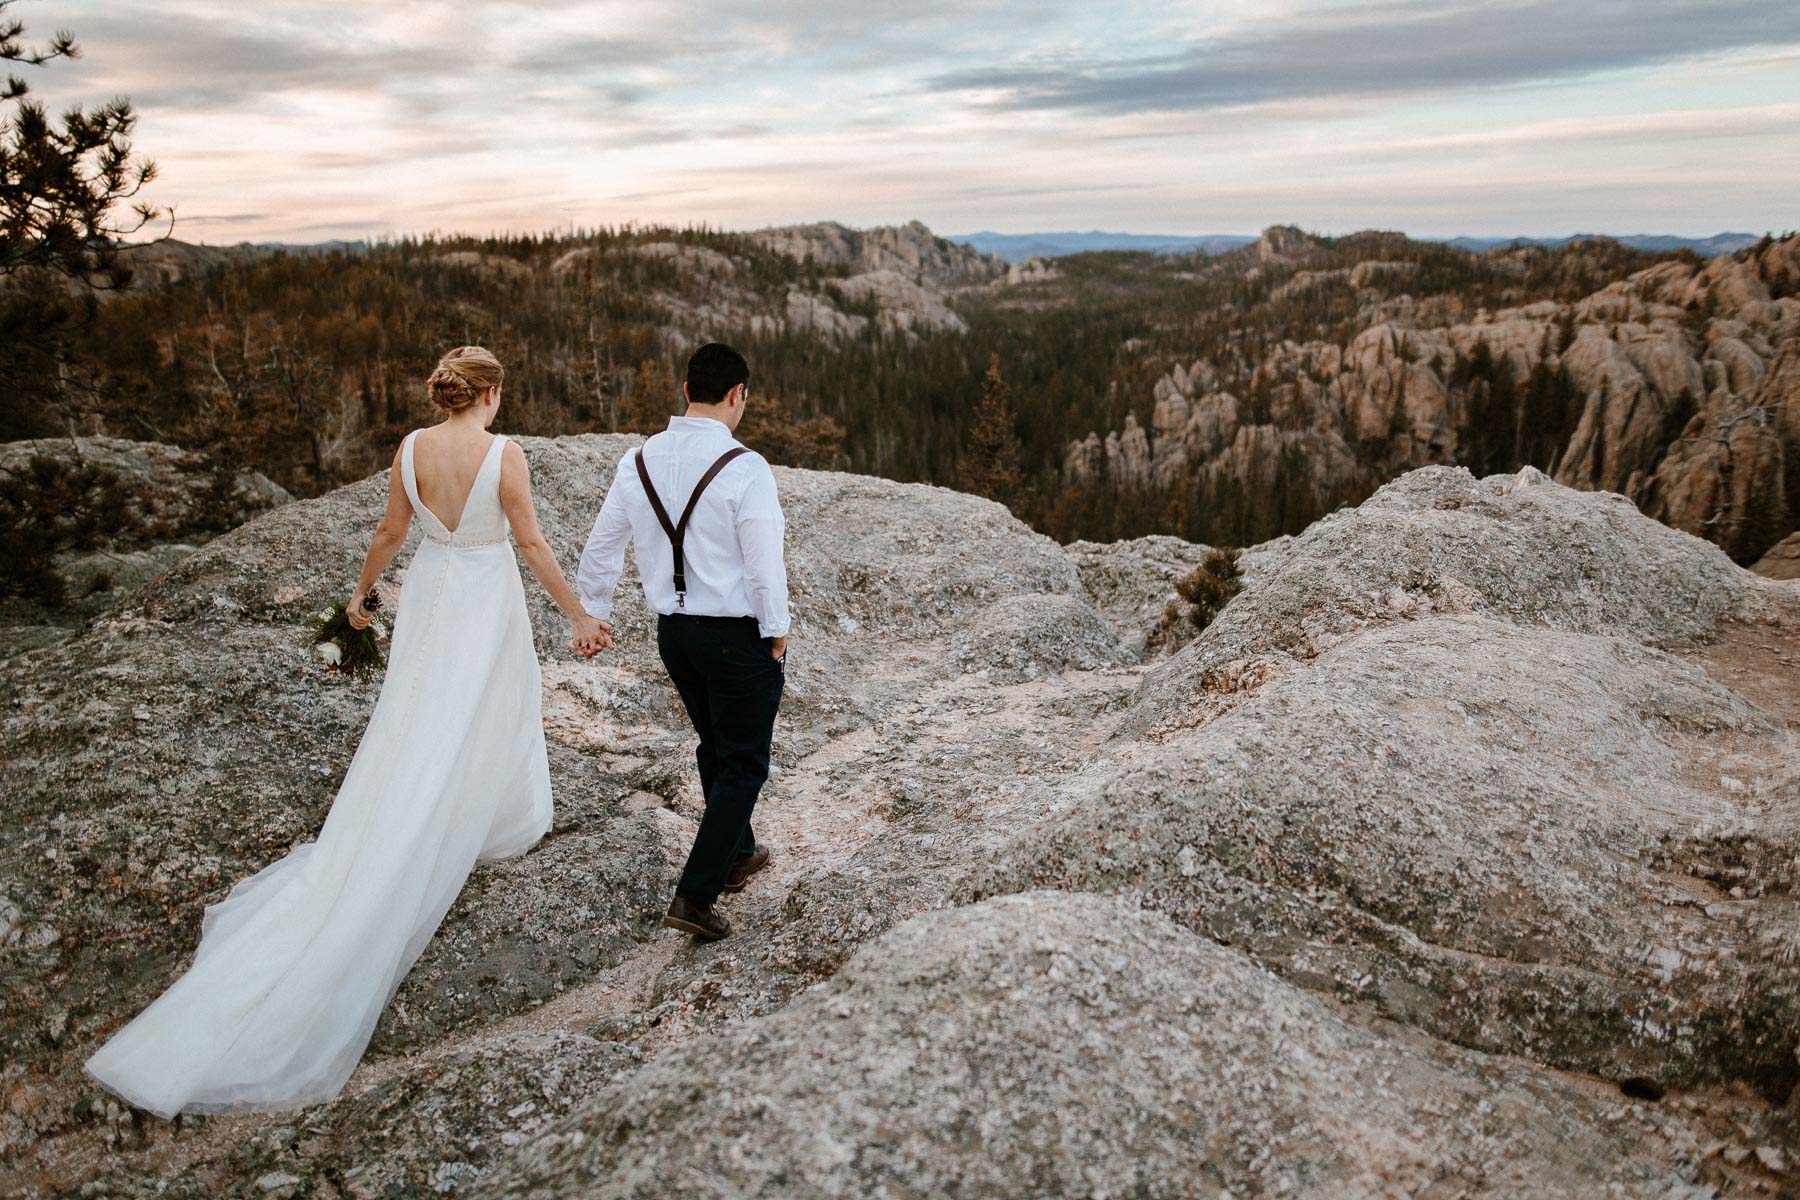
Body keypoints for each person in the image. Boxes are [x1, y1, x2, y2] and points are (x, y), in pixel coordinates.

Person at [84, 346, 605, 1119]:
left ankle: (426, 802)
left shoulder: (410, 448)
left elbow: (392, 531)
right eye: (501, 394)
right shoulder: (505, 453)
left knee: (419, 708)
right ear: (490, 394)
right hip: (485, 589)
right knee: (491, 696)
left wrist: (360, 600)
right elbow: (528, 542)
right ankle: (492, 816)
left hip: (432, 589)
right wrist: (578, 615)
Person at [576, 342, 789, 942]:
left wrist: (593, 612)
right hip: (733, 635)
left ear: (686, 390)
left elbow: (602, 544)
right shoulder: (746, 468)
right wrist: (776, 631)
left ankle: (739, 853)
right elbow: (763, 565)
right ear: (737, 394)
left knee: (715, 744)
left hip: (674, 634)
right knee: (745, 763)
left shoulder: (638, 460)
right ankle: (696, 895)